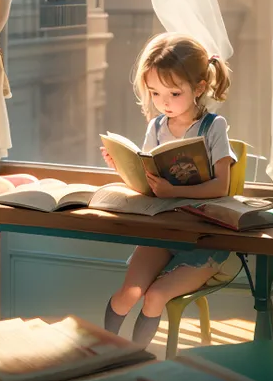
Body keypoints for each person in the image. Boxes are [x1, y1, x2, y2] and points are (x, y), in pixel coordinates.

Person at [100, 32, 237, 348]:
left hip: (204, 238)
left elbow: (222, 186)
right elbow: (148, 184)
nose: (163, 102)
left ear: (198, 88)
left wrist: (174, 191)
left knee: (154, 297)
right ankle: (104, 354)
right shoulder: (157, 127)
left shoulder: (214, 127)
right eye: (154, 92)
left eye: (174, 93)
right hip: (163, 231)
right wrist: (121, 166)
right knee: (128, 295)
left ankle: (135, 360)